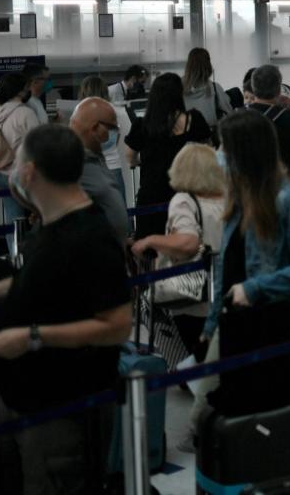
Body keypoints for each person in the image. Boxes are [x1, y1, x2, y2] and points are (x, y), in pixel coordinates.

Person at [0, 125, 131, 495]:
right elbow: (58, 286)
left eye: (17, 163)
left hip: (59, 413)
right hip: (22, 400)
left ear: (30, 171)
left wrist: (32, 337)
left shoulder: (91, 237)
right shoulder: (48, 228)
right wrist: (7, 289)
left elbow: (117, 326)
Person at [201, 109, 290, 413]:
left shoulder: (288, 200)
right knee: (212, 416)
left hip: (269, 326)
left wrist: (254, 288)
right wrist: (211, 324)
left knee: (253, 415)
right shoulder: (237, 201)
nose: (219, 156)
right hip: (233, 325)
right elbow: (225, 267)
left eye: (225, 148)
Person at [128, 143, 225, 448]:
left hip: (187, 292)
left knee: (147, 305)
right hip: (218, 289)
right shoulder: (227, 200)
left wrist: (150, 240)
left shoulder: (183, 200)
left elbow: (187, 242)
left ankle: (183, 371)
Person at [125, 72, 212, 239]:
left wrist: (145, 162)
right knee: (188, 241)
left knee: (151, 245)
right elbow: (207, 151)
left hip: (152, 193)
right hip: (187, 190)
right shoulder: (194, 120)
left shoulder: (142, 125)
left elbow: (130, 156)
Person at [68, 98, 130, 246]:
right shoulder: (70, 163)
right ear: (96, 127)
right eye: (112, 129)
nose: (113, 135)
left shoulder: (95, 158)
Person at [0, 72, 43, 225]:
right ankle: (34, 247)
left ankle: (15, 247)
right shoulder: (25, 113)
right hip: (20, 174)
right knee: (42, 215)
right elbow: (39, 145)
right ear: (20, 90)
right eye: (27, 87)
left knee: (14, 219)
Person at [77, 77, 132, 204]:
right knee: (119, 215)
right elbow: (116, 139)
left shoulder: (79, 113)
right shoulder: (114, 111)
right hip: (113, 167)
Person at [247, 65, 290, 182]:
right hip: (281, 184)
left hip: (248, 187)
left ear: (253, 88)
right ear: (278, 89)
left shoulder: (236, 118)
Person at [182, 47, 232, 127]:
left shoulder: (178, 88)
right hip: (209, 135)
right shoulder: (215, 88)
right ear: (208, 65)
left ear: (188, 65)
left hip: (185, 136)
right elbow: (230, 114)